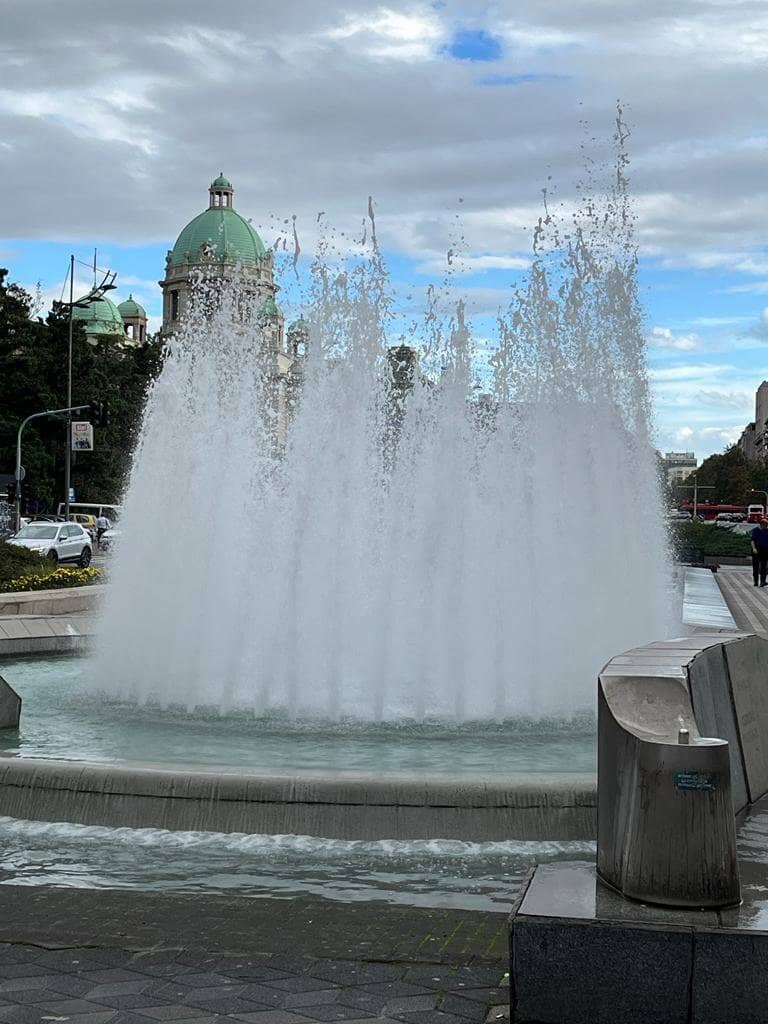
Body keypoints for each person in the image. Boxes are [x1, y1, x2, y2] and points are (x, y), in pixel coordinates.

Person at [751, 517, 768, 587]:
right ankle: (756, 582)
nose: (765, 526)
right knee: (756, 567)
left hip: (765, 550)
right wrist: (754, 548)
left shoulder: (767, 531)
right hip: (757, 550)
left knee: (764, 567)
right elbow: (752, 540)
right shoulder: (756, 530)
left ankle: (762, 581)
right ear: (761, 524)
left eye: (766, 524)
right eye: (764, 524)